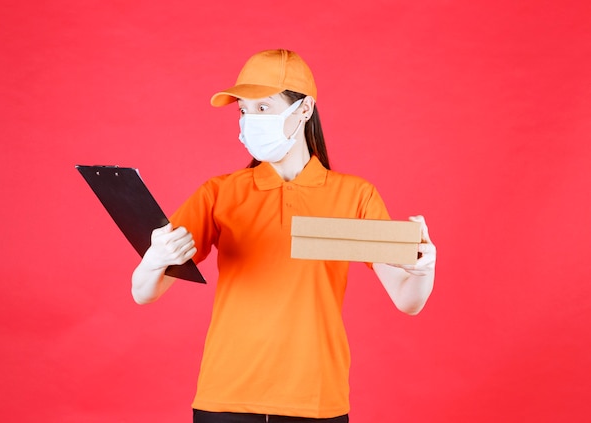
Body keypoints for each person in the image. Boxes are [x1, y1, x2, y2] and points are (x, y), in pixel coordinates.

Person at [131, 49, 436, 423]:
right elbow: (145, 292)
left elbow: (407, 300)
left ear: (304, 110)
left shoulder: (355, 195)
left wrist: (422, 272)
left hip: (315, 398)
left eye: (264, 108)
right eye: (244, 110)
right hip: (226, 396)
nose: (249, 120)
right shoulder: (219, 193)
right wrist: (153, 260)